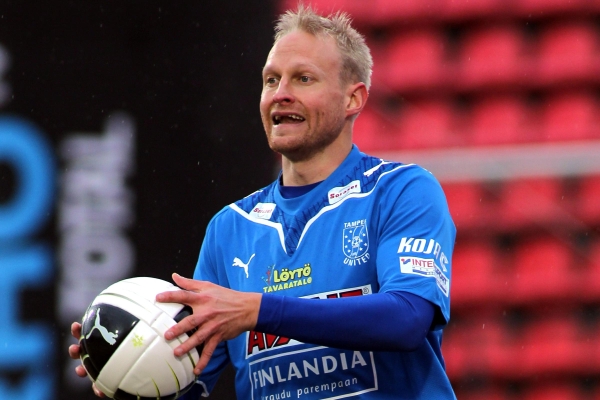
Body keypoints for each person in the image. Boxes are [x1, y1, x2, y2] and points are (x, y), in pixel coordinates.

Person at [69, 4, 457, 399]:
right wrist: (127, 371)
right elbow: (191, 377)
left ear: (352, 99)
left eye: (303, 78)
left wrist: (258, 311)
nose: (281, 94)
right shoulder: (230, 228)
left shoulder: (401, 191)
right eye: (271, 80)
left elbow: (407, 318)